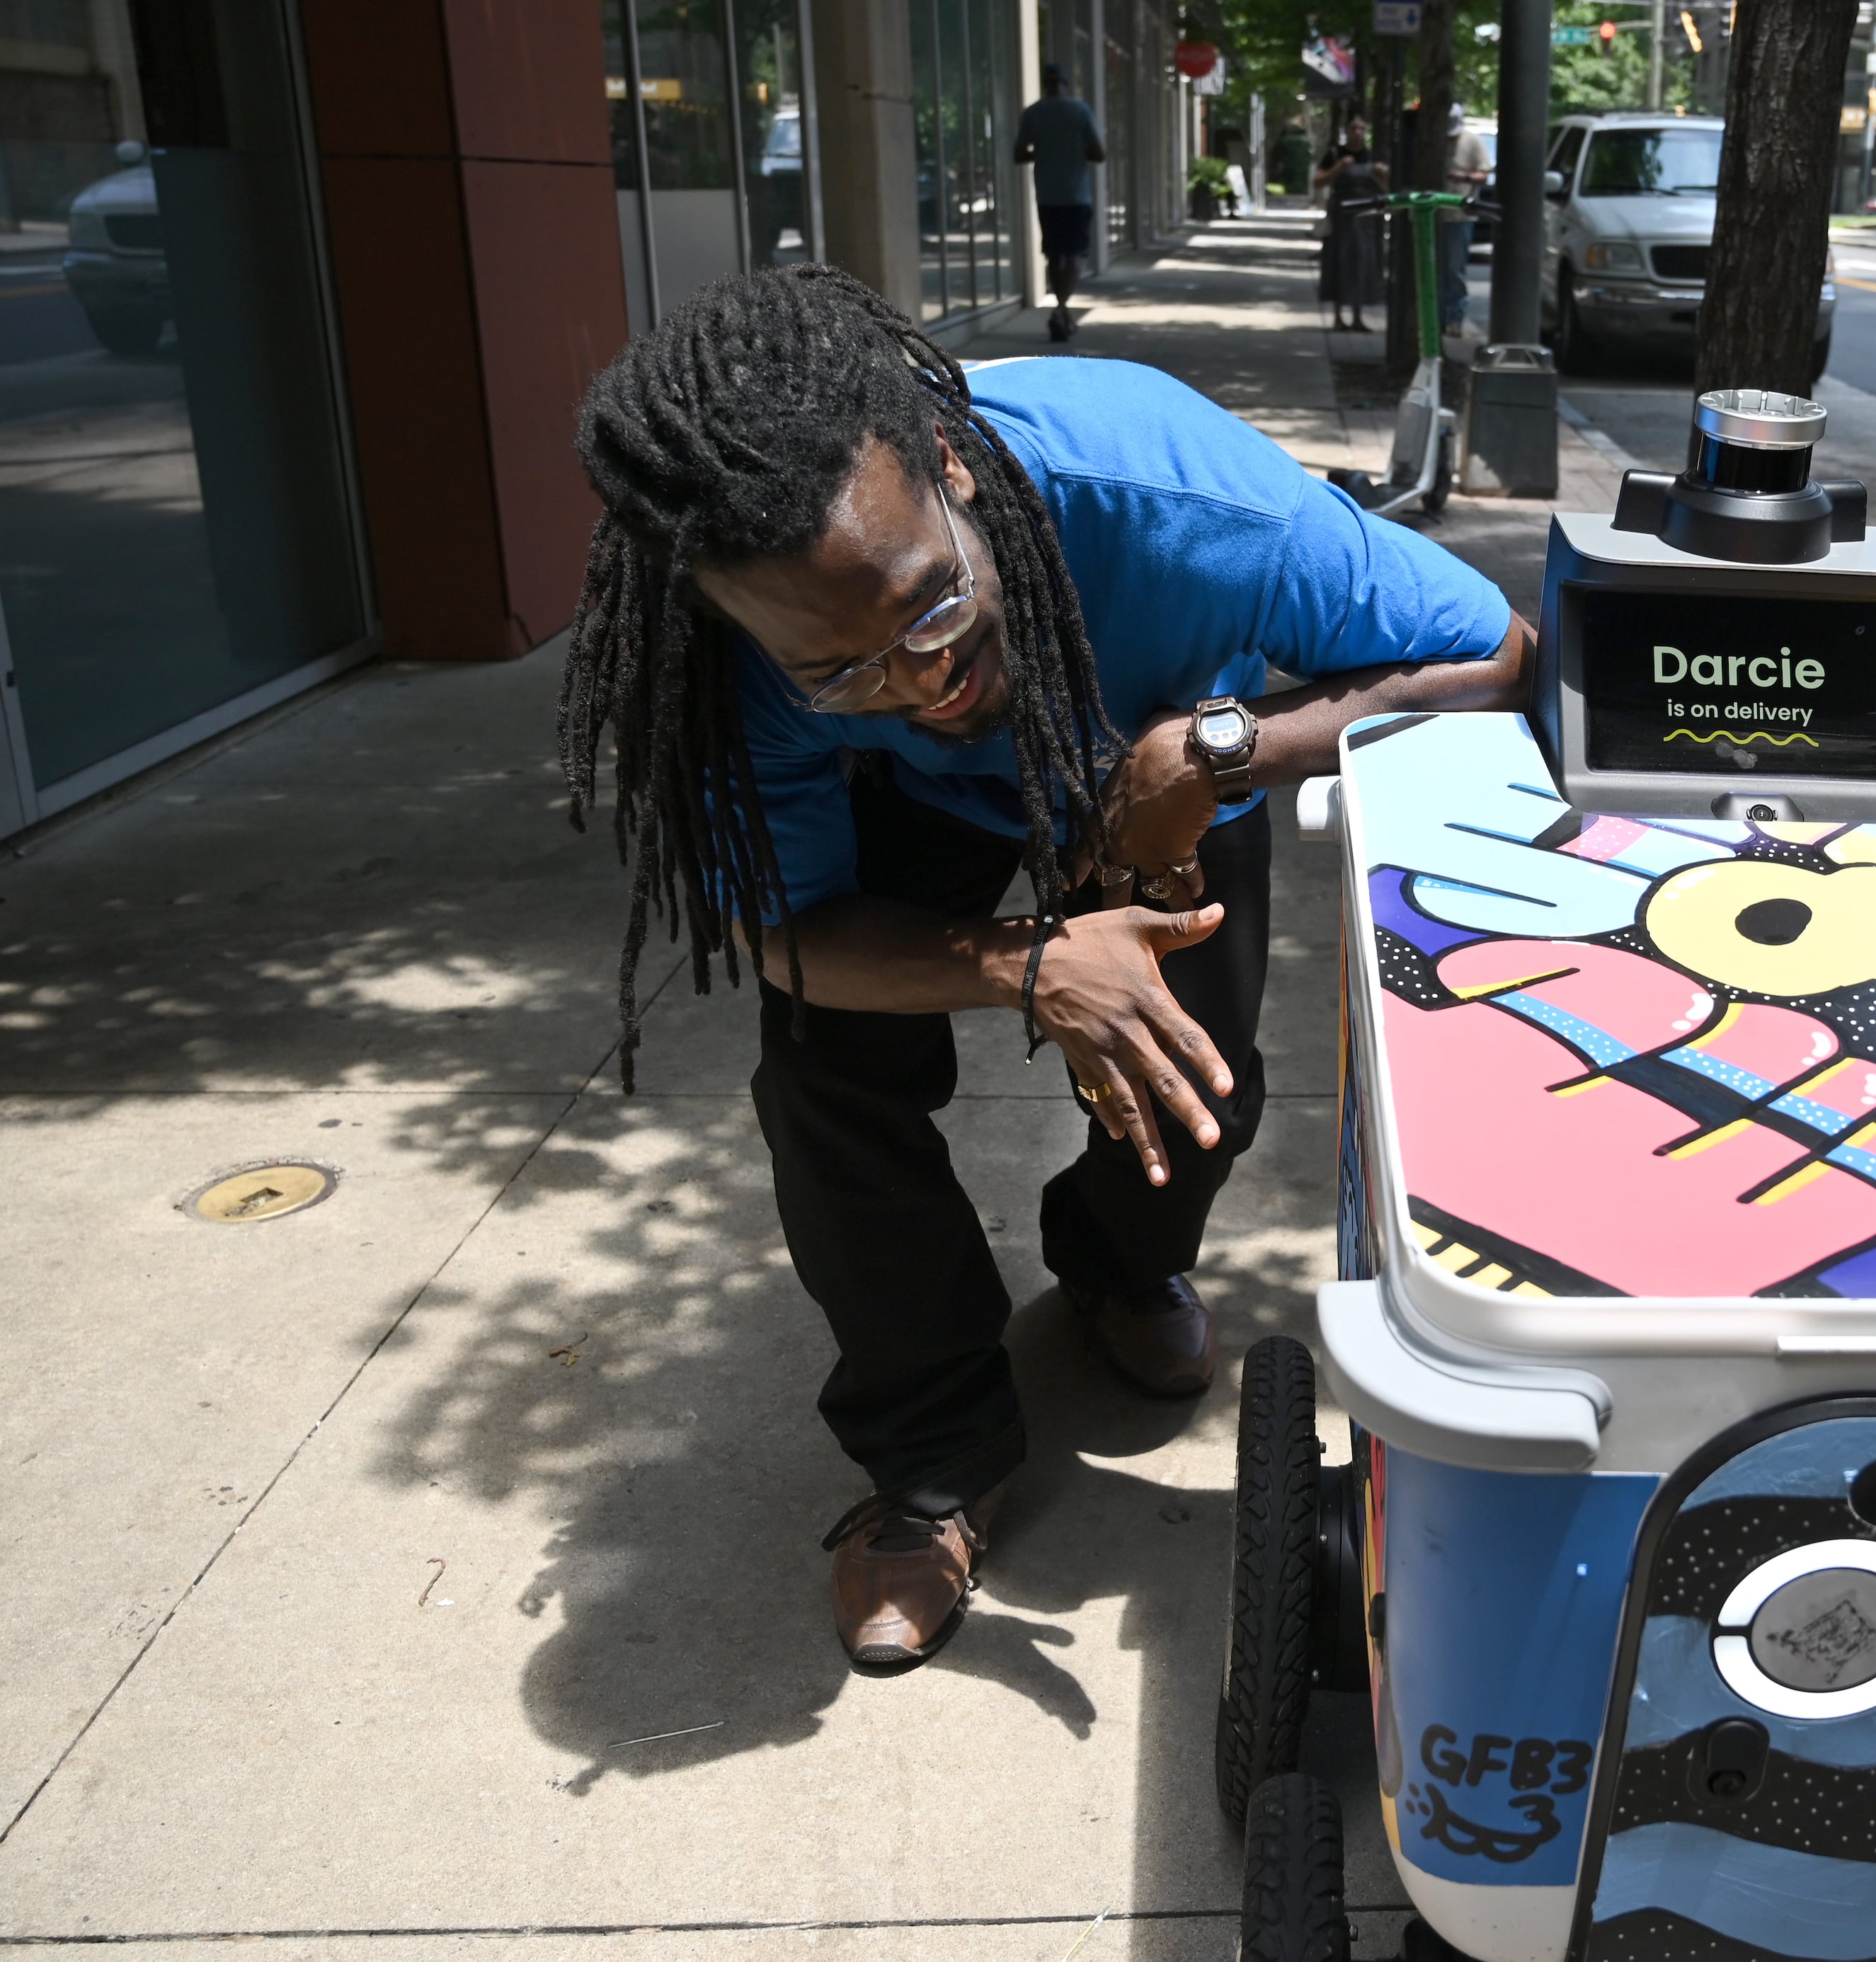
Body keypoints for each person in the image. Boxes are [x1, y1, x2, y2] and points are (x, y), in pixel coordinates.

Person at [559, 265, 1532, 1672]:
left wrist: (1211, 753)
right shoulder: (727, 656)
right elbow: (787, 931)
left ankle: (1118, 1268)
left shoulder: (1180, 499)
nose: (914, 682)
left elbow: (1488, 654)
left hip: (1154, 759)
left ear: (952, 471)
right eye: (836, 670)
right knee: (826, 1085)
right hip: (896, 819)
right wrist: (1029, 965)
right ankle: (935, 1457)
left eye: (932, 612)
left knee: (1201, 1089)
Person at [1014, 65, 1104, 342]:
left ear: (1045, 84)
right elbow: (1099, 153)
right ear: (1066, 83)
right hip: (1077, 196)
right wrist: (1075, 151)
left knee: (1055, 255)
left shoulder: (1033, 113)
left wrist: (1044, 152)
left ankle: (1061, 311)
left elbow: (1019, 154)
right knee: (1076, 254)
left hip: (1048, 195)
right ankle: (1062, 310)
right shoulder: (1080, 111)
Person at [1313, 116, 1385, 333]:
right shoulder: (1335, 154)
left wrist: (1382, 174)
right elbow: (1318, 181)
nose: (1358, 132)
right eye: (1354, 128)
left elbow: (1388, 188)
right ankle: (1337, 317)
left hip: (1366, 219)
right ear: (1346, 130)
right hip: (1340, 218)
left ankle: (1357, 317)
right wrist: (1339, 168)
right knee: (1338, 262)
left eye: (1362, 128)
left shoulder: (1373, 157)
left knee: (1362, 264)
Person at [1439, 105, 1489, 338]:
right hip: (1435, 214)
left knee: (1455, 269)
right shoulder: (1435, 140)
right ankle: (1437, 318)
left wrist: (1464, 177)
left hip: (1459, 216)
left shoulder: (1472, 141)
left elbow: (1484, 174)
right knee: (1435, 268)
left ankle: (1455, 318)